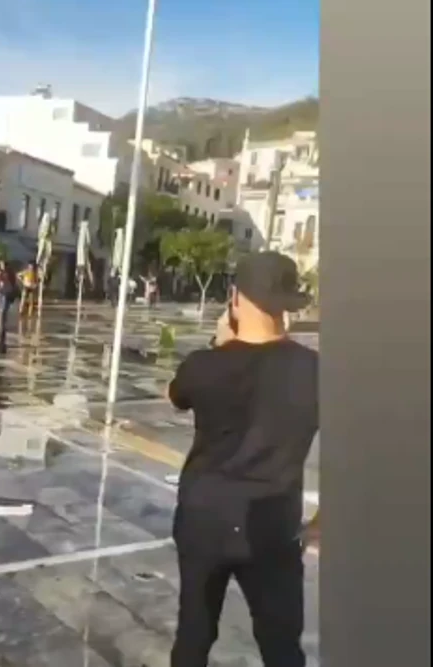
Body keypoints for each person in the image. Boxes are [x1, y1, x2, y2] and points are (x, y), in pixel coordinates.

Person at [167, 251, 318, 667]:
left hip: (203, 520)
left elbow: (175, 395)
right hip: (273, 525)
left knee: (194, 634)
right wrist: (321, 522)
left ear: (235, 298)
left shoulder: (204, 365)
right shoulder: (315, 370)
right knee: (281, 646)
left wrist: (220, 344)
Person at [0, 260, 19, 354]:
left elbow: (2, 286)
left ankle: (0, 342)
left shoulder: (4, 274)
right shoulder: (10, 273)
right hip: (4, 297)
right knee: (1, 320)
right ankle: (1, 342)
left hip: (3, 296)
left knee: (1, 319)